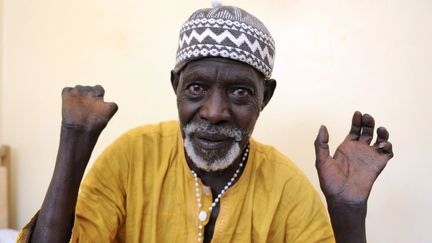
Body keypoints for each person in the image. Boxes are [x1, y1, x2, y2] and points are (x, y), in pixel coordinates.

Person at [18, 3, 393, 243]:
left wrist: (348, 214)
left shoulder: (287, 190)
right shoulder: (130, 158)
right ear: (175, 87)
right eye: (196, 88)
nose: (214, 112)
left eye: (240, 93)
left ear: (267, 97)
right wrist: (73, 144)